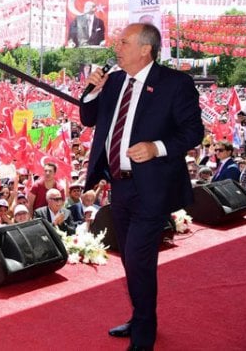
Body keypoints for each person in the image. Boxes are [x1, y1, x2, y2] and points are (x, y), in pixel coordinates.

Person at [80, 22, 204, 350]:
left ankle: (145, 331)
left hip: (152, 186)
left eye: (123, 42)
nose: (116, 47)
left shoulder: (175, 84)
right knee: (130, 258)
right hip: (119, 186)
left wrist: (156, 147)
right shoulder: (115, 80)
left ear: (145, 49)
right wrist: (92, 90)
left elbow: (193, 132)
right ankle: (139, 316)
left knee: (138, 258)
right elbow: (88, 119)